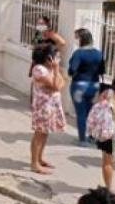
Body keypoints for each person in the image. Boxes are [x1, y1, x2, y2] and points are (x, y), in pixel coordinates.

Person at [29, 44, 66, 175]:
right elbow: (56, 85)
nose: (59, 59)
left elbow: (62, 83)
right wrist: (56, 70)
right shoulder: (39, 69)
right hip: (43, 106)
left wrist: (56, 72)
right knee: (39, 133)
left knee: (45, 133)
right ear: (49, 58)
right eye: (56, 57)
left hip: (52, 105)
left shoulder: (50, 69)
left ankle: (39, 158)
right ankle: (34, 163)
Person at [69, 28, 106, 146]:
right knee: (92, 113)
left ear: (81, 39)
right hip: (94, 86)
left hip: (79, 86)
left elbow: (72, 70)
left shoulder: (78, 53)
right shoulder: (98, 53)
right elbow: (102, 70)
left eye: (76, 37)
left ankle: (82, 140)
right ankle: (92, 137)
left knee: (81, 113)